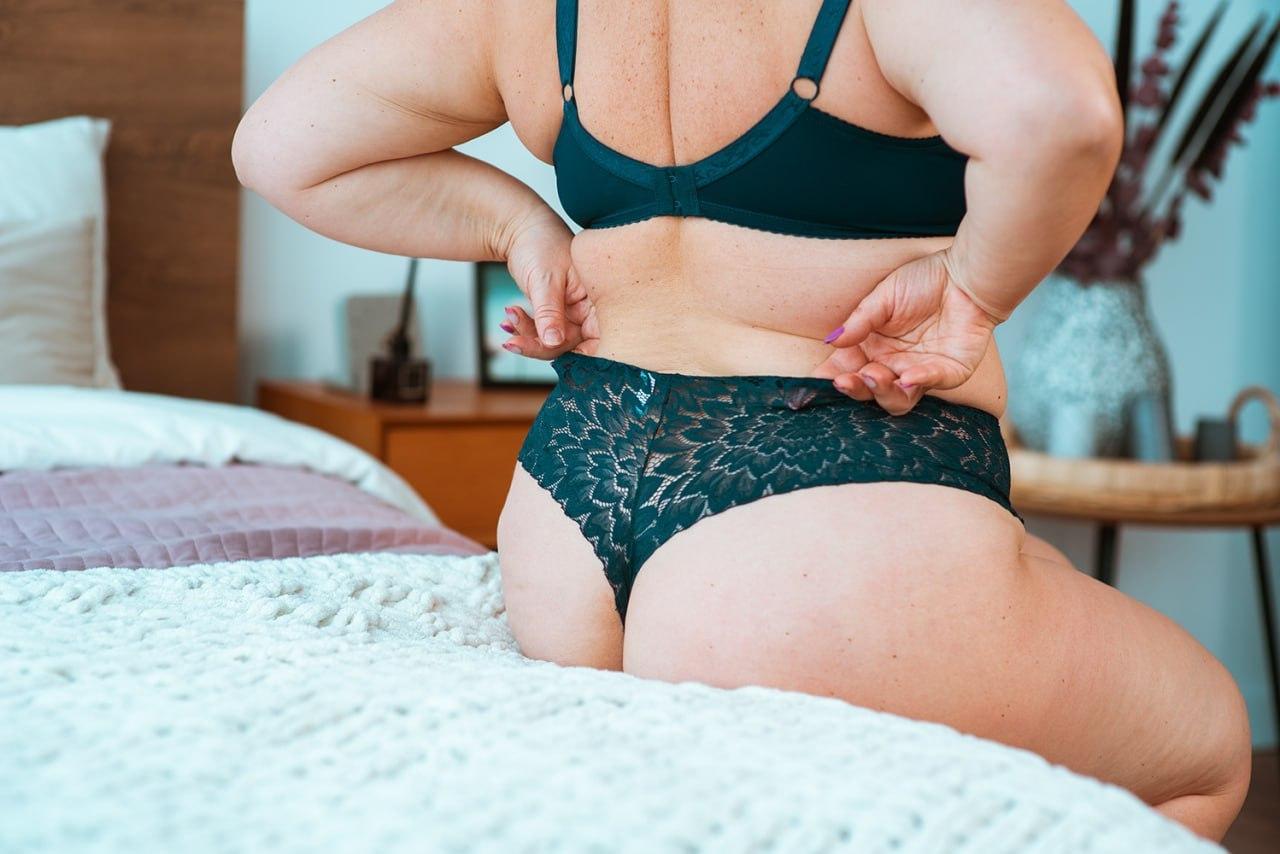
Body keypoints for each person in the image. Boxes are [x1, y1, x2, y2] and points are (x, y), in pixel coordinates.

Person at [233, 0, 1252, 840]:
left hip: (569, 515)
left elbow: (279, 148)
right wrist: (971, 294)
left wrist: (515, 225)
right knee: (1204, 752)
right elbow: (1057, 115)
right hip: (815, 523)